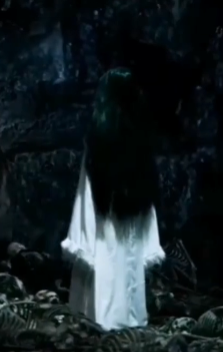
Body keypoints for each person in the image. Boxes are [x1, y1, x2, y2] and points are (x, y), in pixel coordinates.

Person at [61, 68, 166, 331]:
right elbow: (148, 201)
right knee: (127, 283)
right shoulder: (141, 141)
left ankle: (100, 325)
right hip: (130, 228)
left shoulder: (99, 140)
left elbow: (85, 196)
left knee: (102, 293)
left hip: (102, 230)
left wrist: (82, 243)